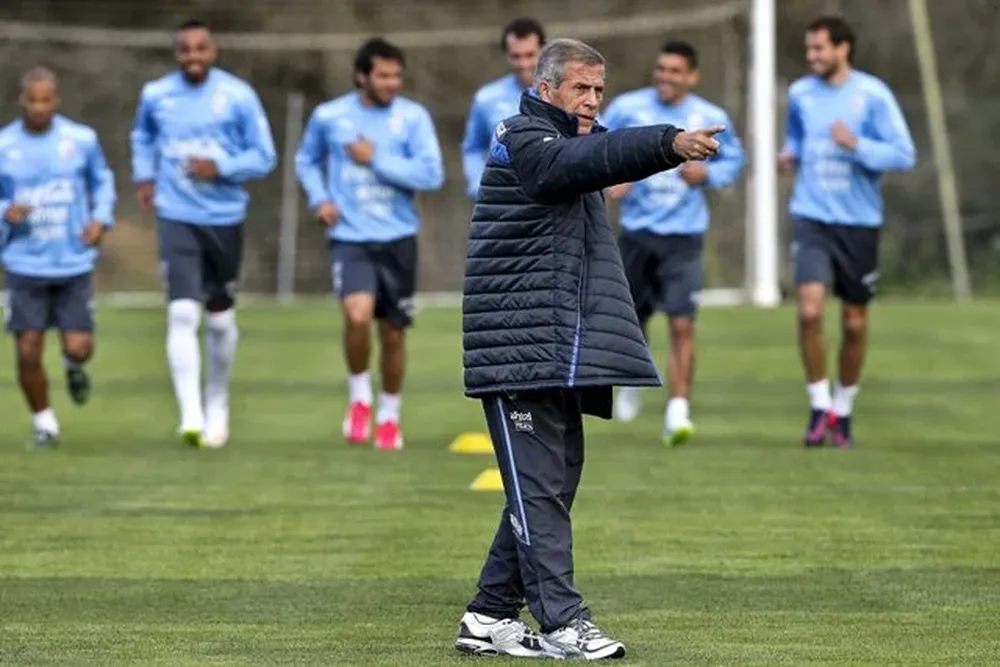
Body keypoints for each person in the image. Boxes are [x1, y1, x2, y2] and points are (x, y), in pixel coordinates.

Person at [457, 38, 723, 659]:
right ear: (545, 88)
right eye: (582, 88)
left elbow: (592, 157)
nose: (593, 100)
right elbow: (570, 166)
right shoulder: (522, 137)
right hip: (515, 351)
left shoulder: (573, 143)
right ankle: (563, 623)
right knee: (541, 489)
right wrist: (666, 142)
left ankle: (489, 615)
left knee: (550, 483)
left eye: (599, 90)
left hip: (554, 349)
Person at [130, 19, 277, 449]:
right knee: (181, 313)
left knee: (220, 320)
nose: (193, 56)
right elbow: (142, 135)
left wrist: (222, 168)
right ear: (177, 53)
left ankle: (217, 398)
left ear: (212, 51)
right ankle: (190, 414)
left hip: (224, 219)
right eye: (185, 50)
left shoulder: (238, 96)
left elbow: (264, 157)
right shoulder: (156, 95)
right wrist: (144, 176)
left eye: (200, 49)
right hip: (176, 215)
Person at [295, 38, 444, 451]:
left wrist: (375, 157)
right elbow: (306, 160)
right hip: (351, 237)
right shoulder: (331, 116)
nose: (392, 83)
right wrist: (320, 198)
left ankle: (389, 415)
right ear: (362, 76)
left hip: (398, 237)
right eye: (383, 75)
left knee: (393, 333)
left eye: (397, 75)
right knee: (357, 315)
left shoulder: (413, 118)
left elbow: (431, 175)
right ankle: (360, 396)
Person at [779, 16, 915, 448]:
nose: (812, 56)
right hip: (811, 215)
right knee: (810, 311)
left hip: (858, 223)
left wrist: (857, 145)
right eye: (809, 49)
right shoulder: (800, 93)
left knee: (854, 325)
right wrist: (790, 155)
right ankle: (819, 405)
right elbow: (797, 139)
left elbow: (903, 154)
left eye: (819, 48)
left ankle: (844, 408)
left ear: (843, 49)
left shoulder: (872, 95)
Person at [603, 40, 745, 445]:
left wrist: (710, 175)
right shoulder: (630, 108)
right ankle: (633, 380)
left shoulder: (709, 116)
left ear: (692, 76)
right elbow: (599, 142)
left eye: (675, 71)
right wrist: (615, 173)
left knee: (682, 323)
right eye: (661, 69)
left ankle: (678, 410)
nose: (666, 77)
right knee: (633, 319)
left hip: (684, 237)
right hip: (637, 232)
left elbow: (734, 158)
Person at [0, 66, 116, 448]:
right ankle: (44, 423)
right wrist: (4, 210)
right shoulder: (4, 145)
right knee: (28, 347)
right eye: (31, 99)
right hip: (23, 262)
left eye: (45, 99)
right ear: (20, 99)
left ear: (56, 99)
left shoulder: (80, 139)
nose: (38, 107)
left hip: (72, 261)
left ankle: (72, 365)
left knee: (78, 347)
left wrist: (100, 219)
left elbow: (102, 181)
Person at [461, 18, 545, 198]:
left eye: (530, 55)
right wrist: (479, 187)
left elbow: (593, 135)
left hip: (556, 203)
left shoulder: (565, 93)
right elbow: (473, 148)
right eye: (516, 56)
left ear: (543, 52)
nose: (523, 64)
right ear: (507, 55)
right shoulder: (486, 99)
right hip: (505, 205)